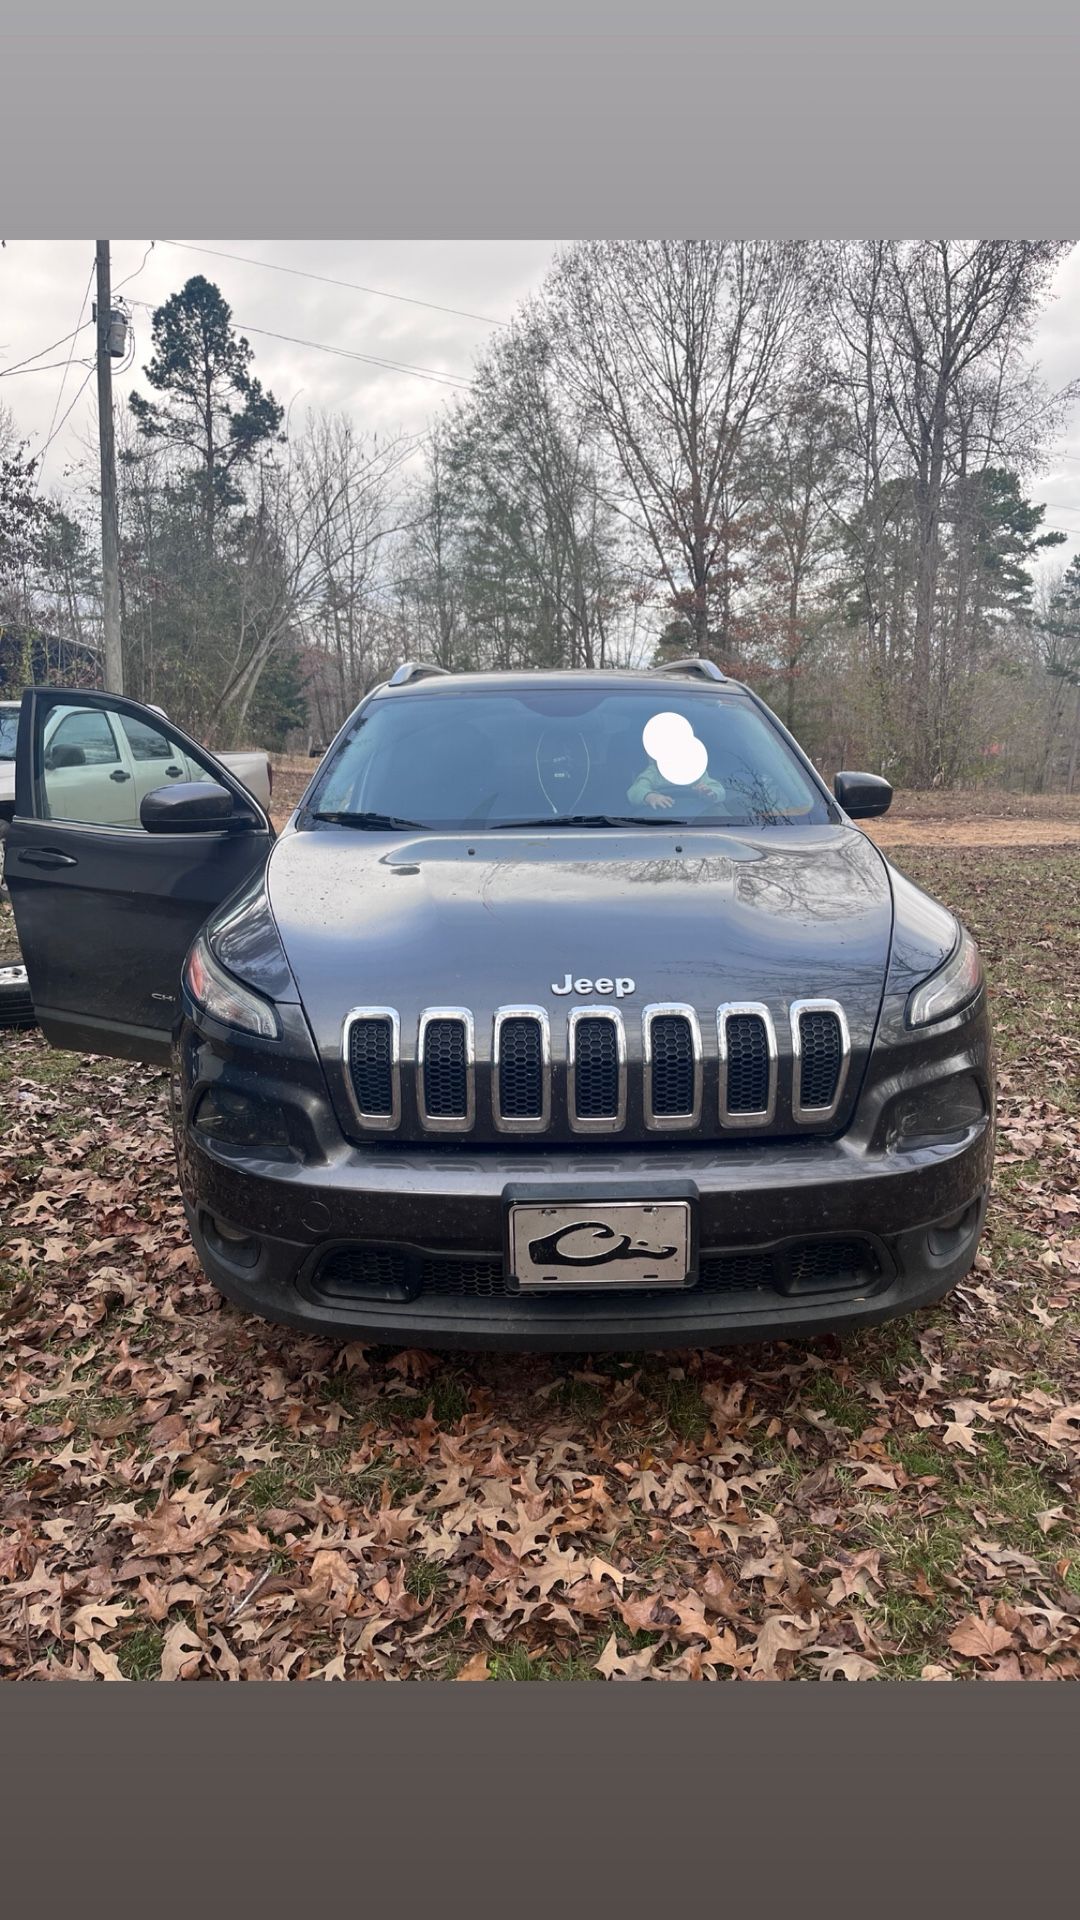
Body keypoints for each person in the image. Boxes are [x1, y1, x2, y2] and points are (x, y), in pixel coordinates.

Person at [627, 757, 727, 812]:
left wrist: (709, 792)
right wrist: (650, 796)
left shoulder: (695, 771)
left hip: (699, 817)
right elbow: (635, 790)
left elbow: (719, 789)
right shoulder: (653, 772)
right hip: (659, 819)